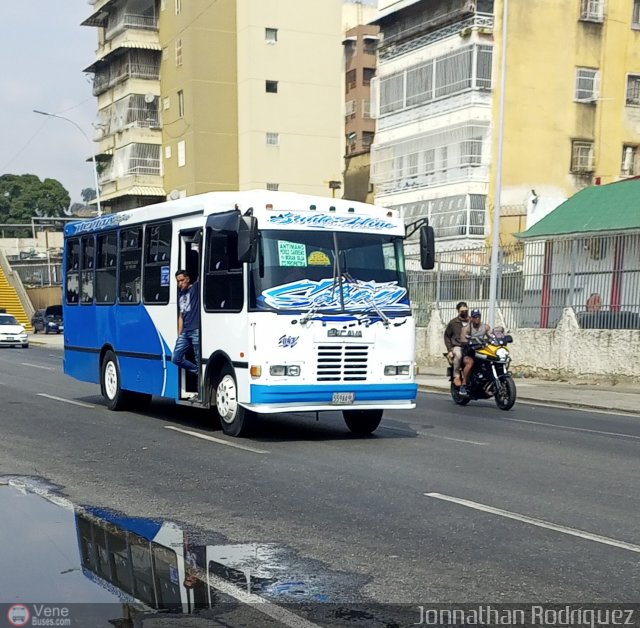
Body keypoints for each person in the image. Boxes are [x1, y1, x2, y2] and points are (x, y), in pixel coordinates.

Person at [172, 270, 201, 399]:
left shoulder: (195, 288)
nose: (180, 283)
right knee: (175, 357)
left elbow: (201, 272)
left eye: (182, 280)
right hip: (185, 332)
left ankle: (200, 390)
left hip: (196, 330)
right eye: (178, 281)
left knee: (198, 357)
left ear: (188, 279)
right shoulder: (180, 295)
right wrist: (180, 335)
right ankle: (198, 370)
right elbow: (181, 316)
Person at [460, 308, 491, 395]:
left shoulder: (485, 327)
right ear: (471, 318)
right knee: (470, 363)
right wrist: (468, 341)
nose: (477, 318)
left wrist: (497, 339)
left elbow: (491, 337)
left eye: (478, 316)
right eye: (475, 317)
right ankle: (464, 385)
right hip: (469, 352)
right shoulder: (467, 328)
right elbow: (463, 340)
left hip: (481, 352)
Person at [444, 301, 471, 390]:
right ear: (458, 311)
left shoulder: (472, 321)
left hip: (470, 345)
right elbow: (447, 336)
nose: (464, 312)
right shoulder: (453, 323)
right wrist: (449, 351)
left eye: (466, 310)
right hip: (458, 345)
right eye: (462, 311)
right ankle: (456, 375)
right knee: (458, 355)